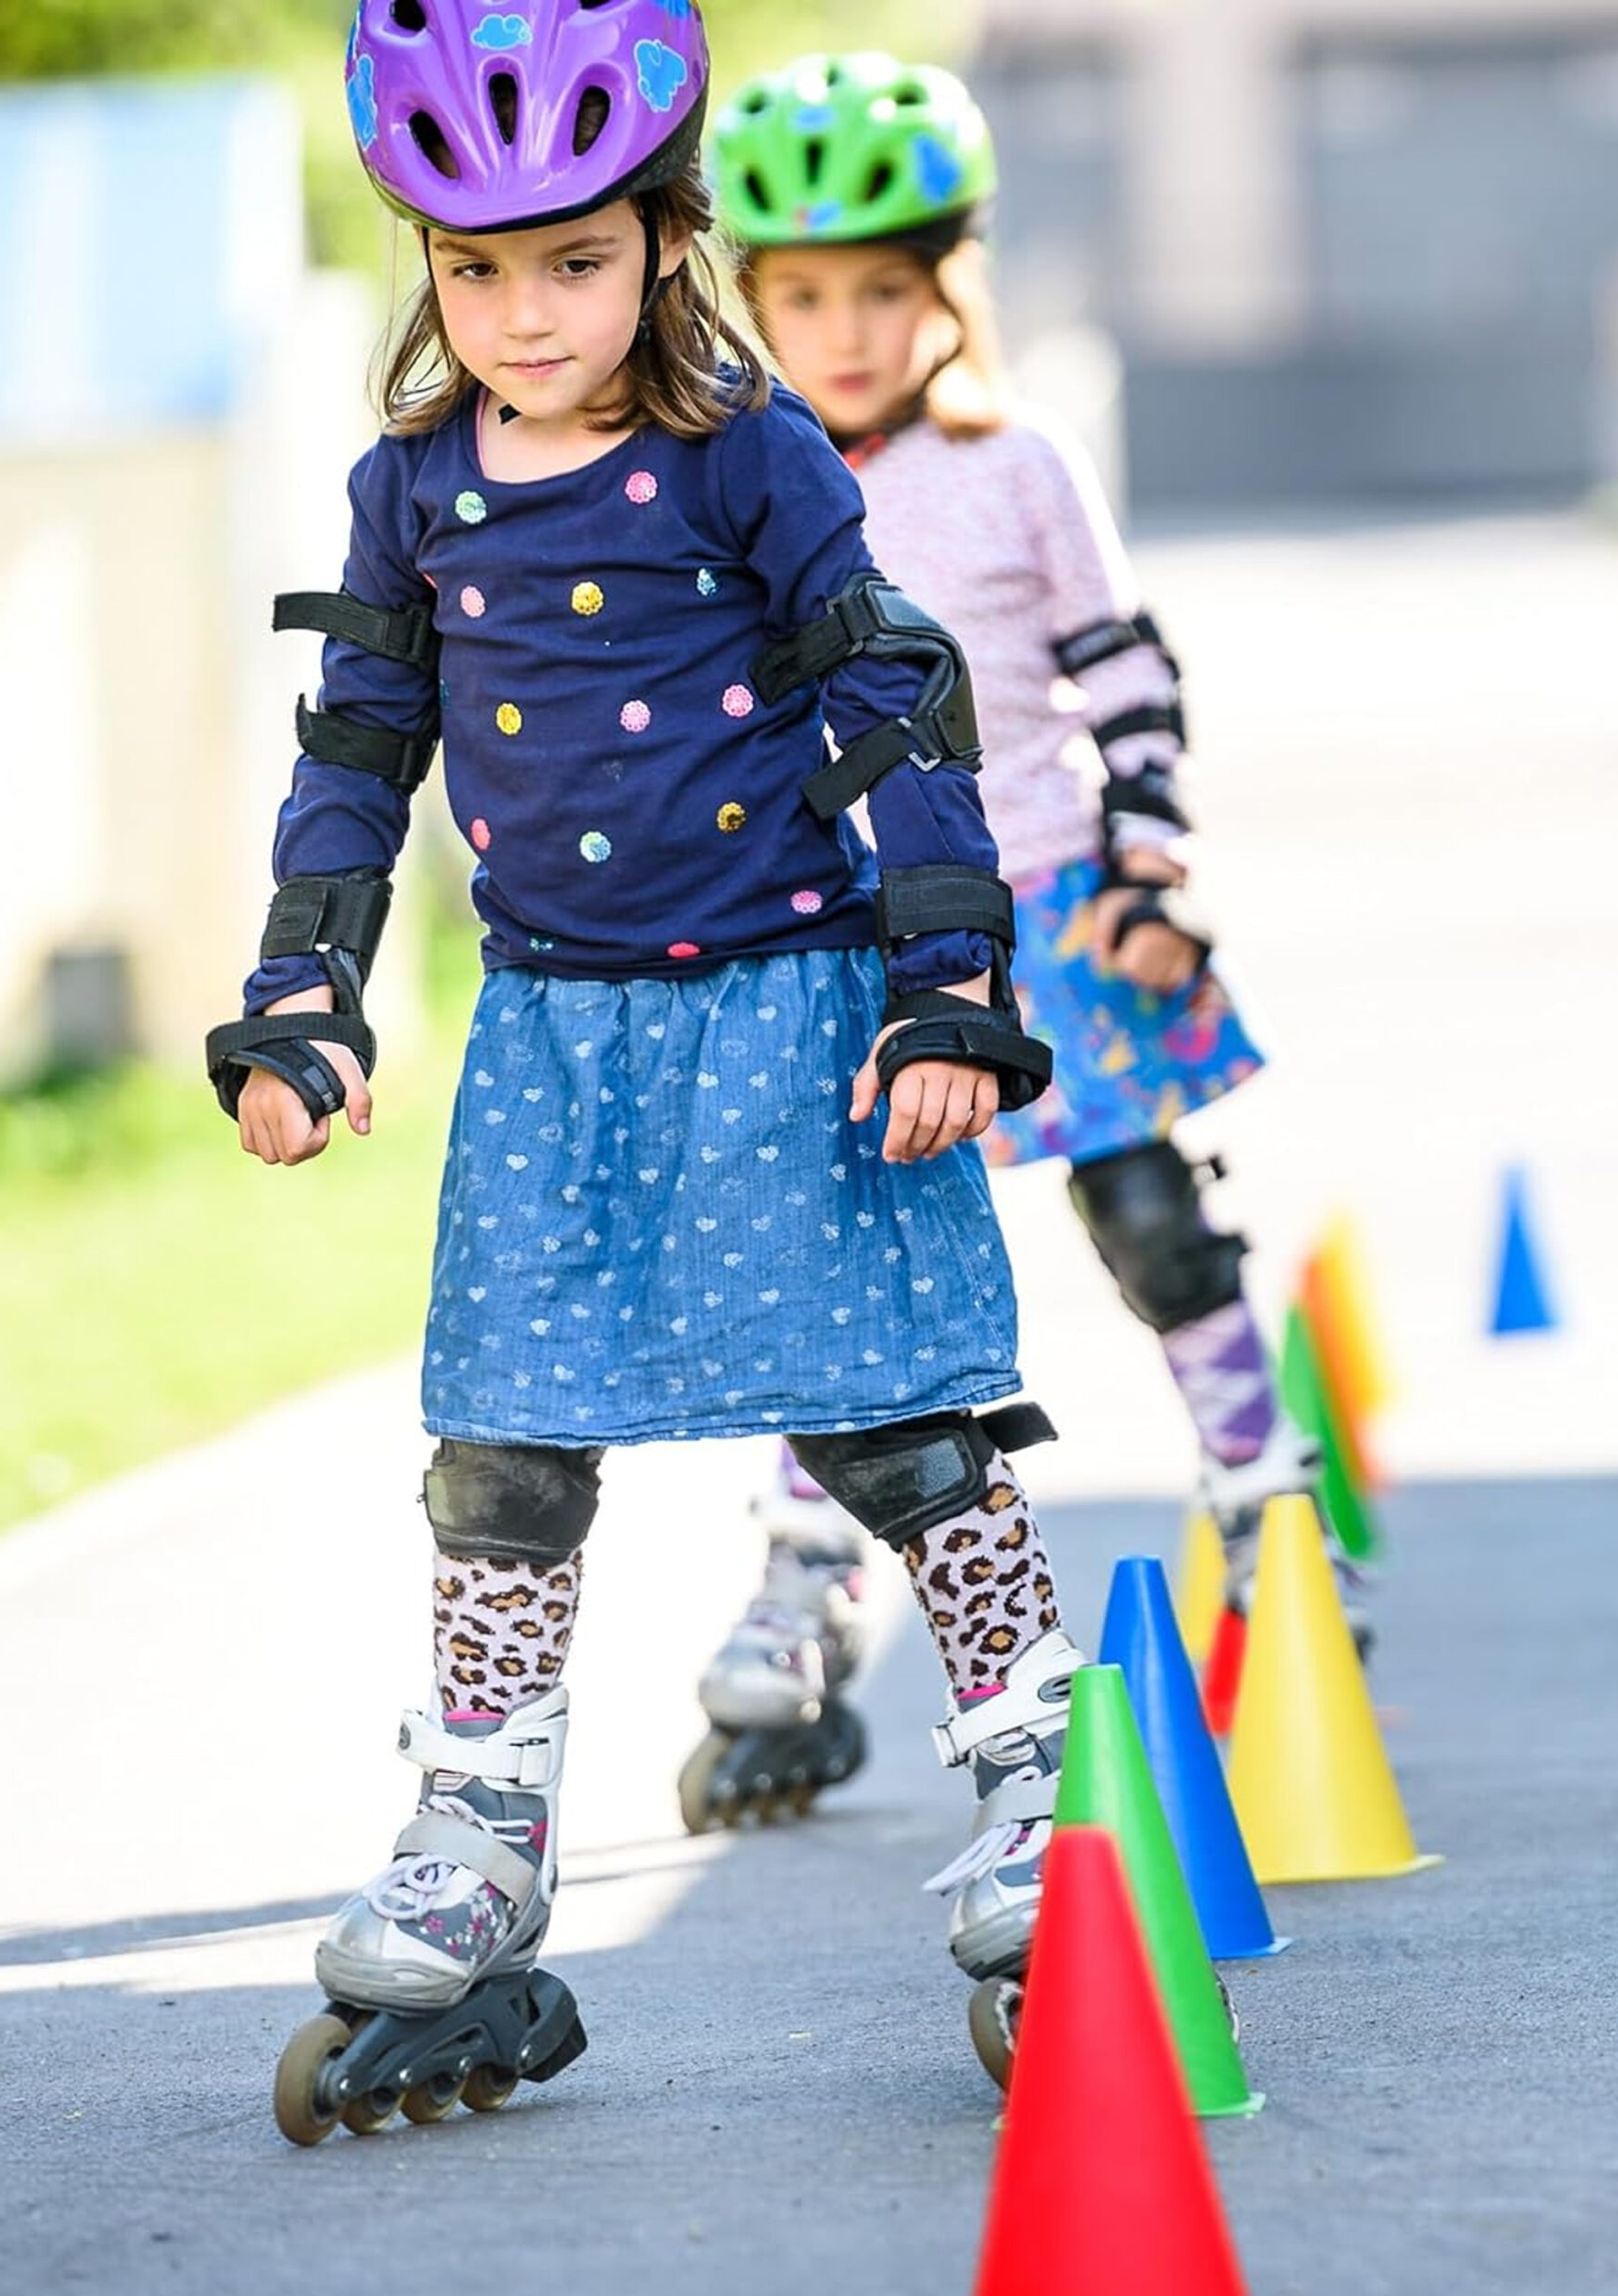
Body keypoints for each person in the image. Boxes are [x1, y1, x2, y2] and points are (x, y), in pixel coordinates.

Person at [211, 0, 1087, 2135]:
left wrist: (946, 970)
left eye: (574, 259)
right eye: (474, 265)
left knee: (895, 1428)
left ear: (663, 241)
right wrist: (306, 989)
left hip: (793, 1006)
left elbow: (887, 683)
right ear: (421, 257)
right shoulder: (408, 484)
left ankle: (1040, 1786)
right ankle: (480, 1842)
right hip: (552, 1041)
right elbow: (355, 757)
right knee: (500, 1459)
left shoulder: (743, 449)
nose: (523, 312)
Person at [686, 52, 1370, 1831]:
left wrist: (1147, 872)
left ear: (947, 290)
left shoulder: (1016, 466)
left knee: (1145, 1218)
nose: (844, 331)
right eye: (805, 296)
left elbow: (1121, 670)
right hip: (844, 940)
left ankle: (1260, 1493)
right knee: (835, 1281)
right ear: (749, 302)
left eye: (884, 291)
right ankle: (800, 1582)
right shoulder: (727, 482)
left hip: (1052, 906)